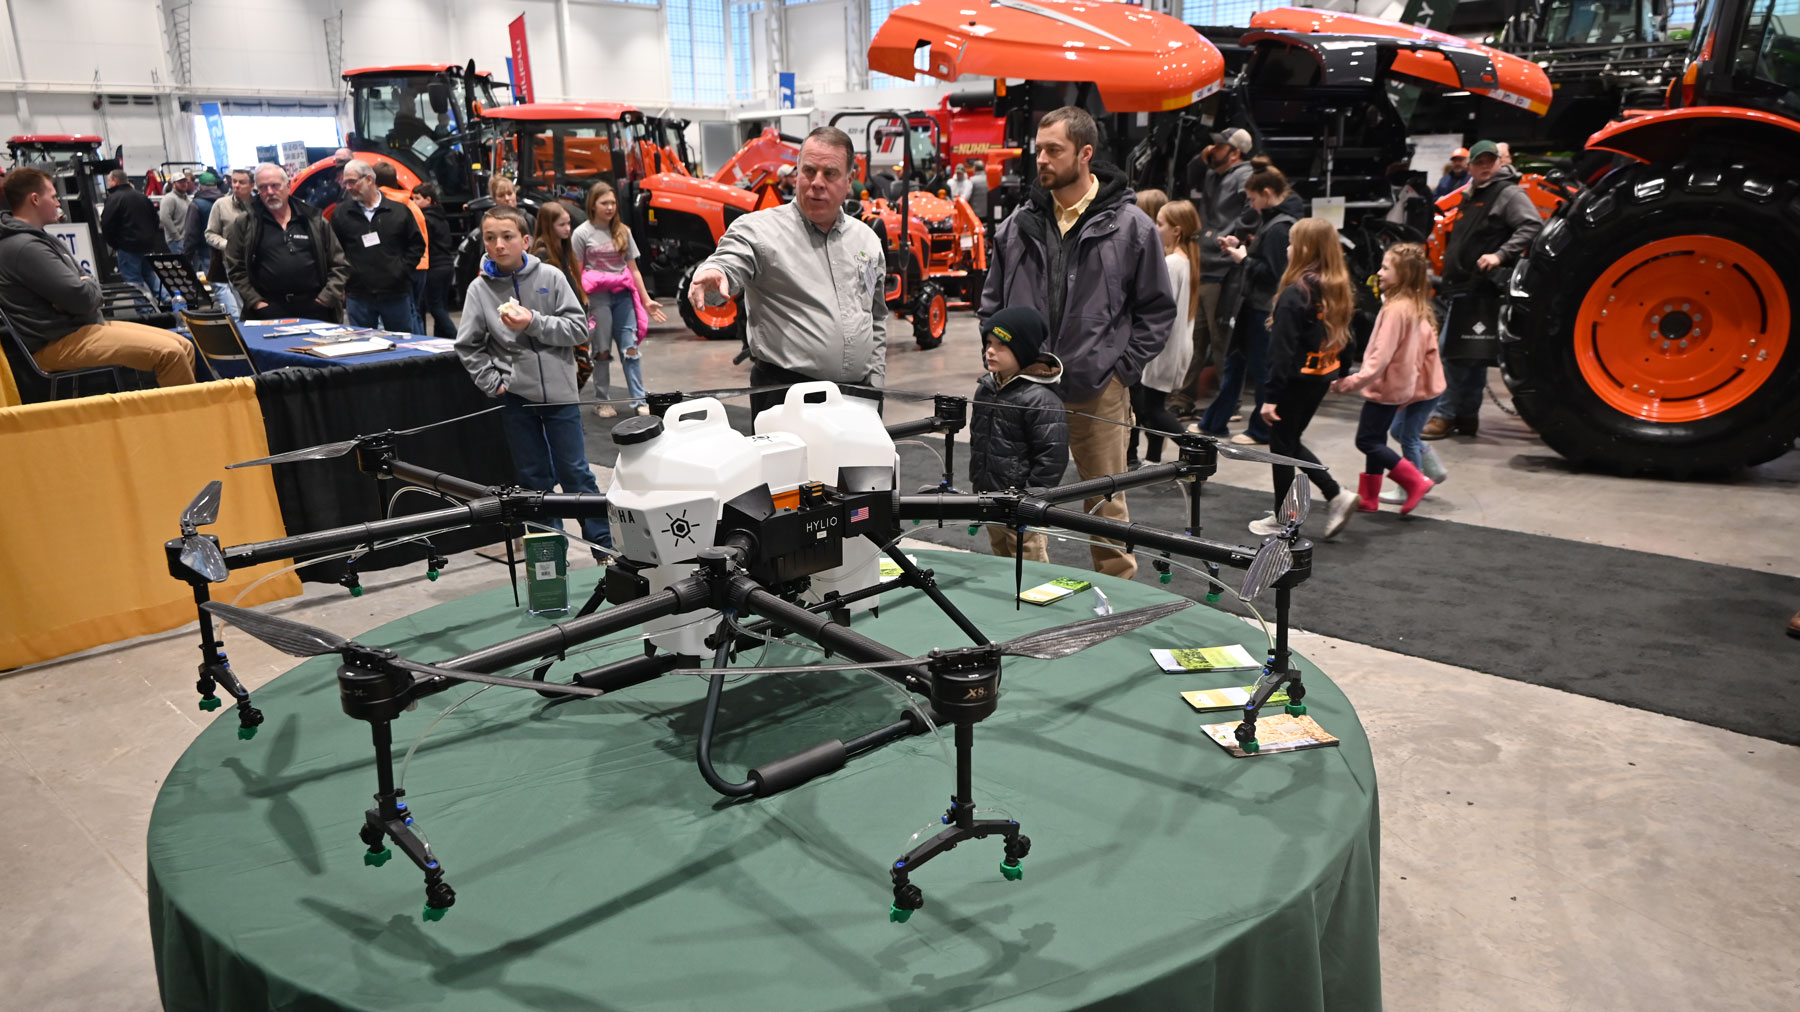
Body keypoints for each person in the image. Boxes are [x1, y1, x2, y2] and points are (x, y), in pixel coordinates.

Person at [980, 105, 1175, 580]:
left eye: (1054, 150)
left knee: (1106, 506)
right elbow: (991, 302)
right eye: (1038, 149)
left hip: (1098, 389)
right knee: (1013, 502)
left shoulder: (1131, 228)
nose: (1041, 159)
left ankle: (1118, 604)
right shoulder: (1016, 228)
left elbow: (1156, 309)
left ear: (1085, 154)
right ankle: (1026, 592)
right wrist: (1001, 362)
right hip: (1022, 390)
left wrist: (1121, 369)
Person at [688, 126, 887, 419]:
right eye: (808, 171)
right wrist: (717, 273)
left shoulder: (867, 239)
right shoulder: (758, 230)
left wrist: (876, 380)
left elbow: (876, 315)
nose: (817, 182)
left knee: (861, 467)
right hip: (785, 399)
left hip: (859, 398)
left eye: (829, 173)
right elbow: (731, 259)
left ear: (849, 180)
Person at [454, 205, 612, 558]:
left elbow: (575, 329)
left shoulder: (552, 278)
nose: (498, 245)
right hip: (516, 400)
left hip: (560, 397)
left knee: (576, 475)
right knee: (533, 479)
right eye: (490, 238)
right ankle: (548, 557)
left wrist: (533, 322)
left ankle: (605, 548)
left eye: (507, 237)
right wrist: (493, 381)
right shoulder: (479, 290)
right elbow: (468, 345)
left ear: (525, 240)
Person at [0, 167, 194, 387]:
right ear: (34, 199)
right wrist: (85, 289)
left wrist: (85, 288)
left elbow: (86, 284)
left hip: (81, 328)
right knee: (171, 353)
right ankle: (183, 421)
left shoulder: (39, 239)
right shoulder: (25, 247)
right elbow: (81, 298)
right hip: (58, 343)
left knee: (183, 345)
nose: (57, 203)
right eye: (53, 196)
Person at [1424, 139, 1542, 439]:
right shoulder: (1471, 194)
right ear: (1471, 166)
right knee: (1471, 354)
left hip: (1479, 287)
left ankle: (1443, 414)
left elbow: (1531, 226)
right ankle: (1467, 416)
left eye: (1491, 160)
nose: (1485, 166)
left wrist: (1499, 255)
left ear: (1500, 163)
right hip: (1462, 286)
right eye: (1480, 162)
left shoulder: (1508, 193)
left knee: (1451, 353)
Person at [1254, 217, 1358, 539]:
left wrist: (1271, 395)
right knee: (1288, 442)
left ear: (1305, 248)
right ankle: (1303, 506)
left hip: (1295, 382)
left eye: (1292, 242)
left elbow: (1281, 351)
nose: (1286, 247)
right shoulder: (1337, 286)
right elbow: (1349, 335)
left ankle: (1322, 499)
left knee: (1282, 445)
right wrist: (1341, 370)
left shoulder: (1296, 292)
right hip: (1320, 377)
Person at [1196, 158, 1303, 445]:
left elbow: (1275, 274)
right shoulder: (1275, 222)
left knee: (1257, 368)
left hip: (1261, 307)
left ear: (1267, 193)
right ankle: (1215, 423)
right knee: (1235, 364)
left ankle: (1260, 429)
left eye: (1254, 199)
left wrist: (1243, 258)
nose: (1252, 206)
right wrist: (1242, 248)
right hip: (1252, 306)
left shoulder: (1280, 227)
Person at [1331, 242, 1445, 515]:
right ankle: (1370, 498)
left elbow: (1379, 359)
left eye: (1385, 268)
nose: (1379, 272)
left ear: (1403, 274)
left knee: (1366, 441)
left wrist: (1350, 383)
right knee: (1377, 440)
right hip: (1397, 388)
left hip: (1386, 389)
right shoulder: (1409, 306)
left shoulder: (1395, 310)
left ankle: (1414, 480)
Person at [970, 306, 1069, 563]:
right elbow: (979, 442)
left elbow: (1052, 457)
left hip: (1023, 503)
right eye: (988, 343)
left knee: (1029, 563)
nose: (989, 350)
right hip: (991, 496)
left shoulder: (1040, 399)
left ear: (1022, 350)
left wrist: (1031, 499)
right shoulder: (986, 390)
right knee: (1000, 559)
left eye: (1001, 345)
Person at [1169, 128, 1256, 419]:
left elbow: (1251, 211)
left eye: (1220, 146)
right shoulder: (1211, 173)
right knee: (1196, 338)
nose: (1213, 148)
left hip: (1224, 269)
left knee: (1221, 340)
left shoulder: (1244, 175)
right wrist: (1200, 158)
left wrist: (1229, 236)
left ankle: (1228, 402)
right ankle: (1184, 398)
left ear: (1236, 152)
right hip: (1204, 265)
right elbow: (1189, 175)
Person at [574, 181, 665, 418]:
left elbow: (633, 269)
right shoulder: (582, 233)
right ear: (593, 204)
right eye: (604, 203)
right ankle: (602, 401)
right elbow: (578, 270)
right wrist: (583, 303)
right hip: (598, 298)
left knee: (630, 349)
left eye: (613, 202)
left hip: (623, 297)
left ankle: (638, 400)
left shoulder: (623, 231)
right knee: (601, 351)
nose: (610, 207)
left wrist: (646, 300)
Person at [226, 163, 348, 321]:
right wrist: (256, 302)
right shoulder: (246, 223)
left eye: (275, 186)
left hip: (316, 309)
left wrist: (325, 298)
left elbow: (339, 263)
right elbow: (235, 267)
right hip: (268, 311)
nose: (270, 192)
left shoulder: (313, 220)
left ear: (288, 186)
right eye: (263, 187)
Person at [1132, 198, 1201, 466]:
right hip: (1173, 345)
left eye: (1159, 223)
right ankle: (1152, 458)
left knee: (1152, 410)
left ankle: (1197, 450)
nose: (1154, 228)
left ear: (1177, 230)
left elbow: (1158, 309)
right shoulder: (1184, 261)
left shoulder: (1172, 264)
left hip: (1164, 347)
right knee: (1154, 406)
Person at [330, 159, 424, 331]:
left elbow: (416, 245)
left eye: (352, 181)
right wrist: (346, 280)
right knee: (364, 348)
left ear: (369, 180)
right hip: (358, 295)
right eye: (345, 183)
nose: (348, 187)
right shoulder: (341, 214)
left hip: (395, 294)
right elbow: (334, 250)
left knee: (402, 345)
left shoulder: (398, 211)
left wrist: (401, 271)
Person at [530, 201, 594, 395]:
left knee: (583, 366)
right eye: (562, 225)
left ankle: (568, 397)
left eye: (568, 224)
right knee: (581, 367)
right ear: (549, 225)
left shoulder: (563, 249)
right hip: (559, 322)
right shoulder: (543, 254)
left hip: (574, 319)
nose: (567, 229)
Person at [1126, 188, 1169, 468]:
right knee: (1150, 405)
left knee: (1144, 406)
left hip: (1143, 344)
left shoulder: (1162, 257)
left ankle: (1135, 455)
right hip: (1150, 344)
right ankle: (1147, 456)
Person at [372, 160, 431, 332]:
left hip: (404, 266)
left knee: (407, 312)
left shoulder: (386, 206)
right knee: (415, 312)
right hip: (422, 264)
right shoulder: (410, 203)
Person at [101, 169, 165, 299]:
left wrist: (115, 244)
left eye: (109, 180)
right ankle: (167, 299)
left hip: (127, 247)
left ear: (114, 181)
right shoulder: (141, 197)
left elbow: (106, 224)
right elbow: (155, 219)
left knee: (133, 281)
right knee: (150, 275)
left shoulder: (114, 199)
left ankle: (145, 311)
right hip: (147, 245)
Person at [204, 168, 254, 317]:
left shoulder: (260, 205)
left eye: (242, 182)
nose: (236, 185)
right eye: (234, 181)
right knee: (241, 305)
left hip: (258, 264)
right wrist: (228, 245)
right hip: (233, 264)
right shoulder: (221, 205)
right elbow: (210, 234)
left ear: (252, 185)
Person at [410, 182, 456, 336]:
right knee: (441, 305)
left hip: (434, 267)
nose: (414, 202)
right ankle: (442, 339)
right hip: (447, 266)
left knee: (435, 308)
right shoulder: (441, 216)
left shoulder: (424, 220)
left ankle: (456, 338)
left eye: (417, 198)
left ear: (428, 200)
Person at [181, 171, 223, 280]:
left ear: (200, 187)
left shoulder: (196, 204)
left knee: (219, 286)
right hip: (226, 248)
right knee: (231, 283)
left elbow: (191, 233)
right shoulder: (226, 201)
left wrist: (187, 256)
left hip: (206, 251)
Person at [159, 170, 194, 257]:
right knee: (185, 267)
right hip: (177, 241)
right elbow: (165, 218)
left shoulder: (188, 199)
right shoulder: (169, 199)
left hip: (189, 240)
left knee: (193, 268)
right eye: (180, 182)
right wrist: (177, 237)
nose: (183, 184)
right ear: (173, 184)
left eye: (184, 181)